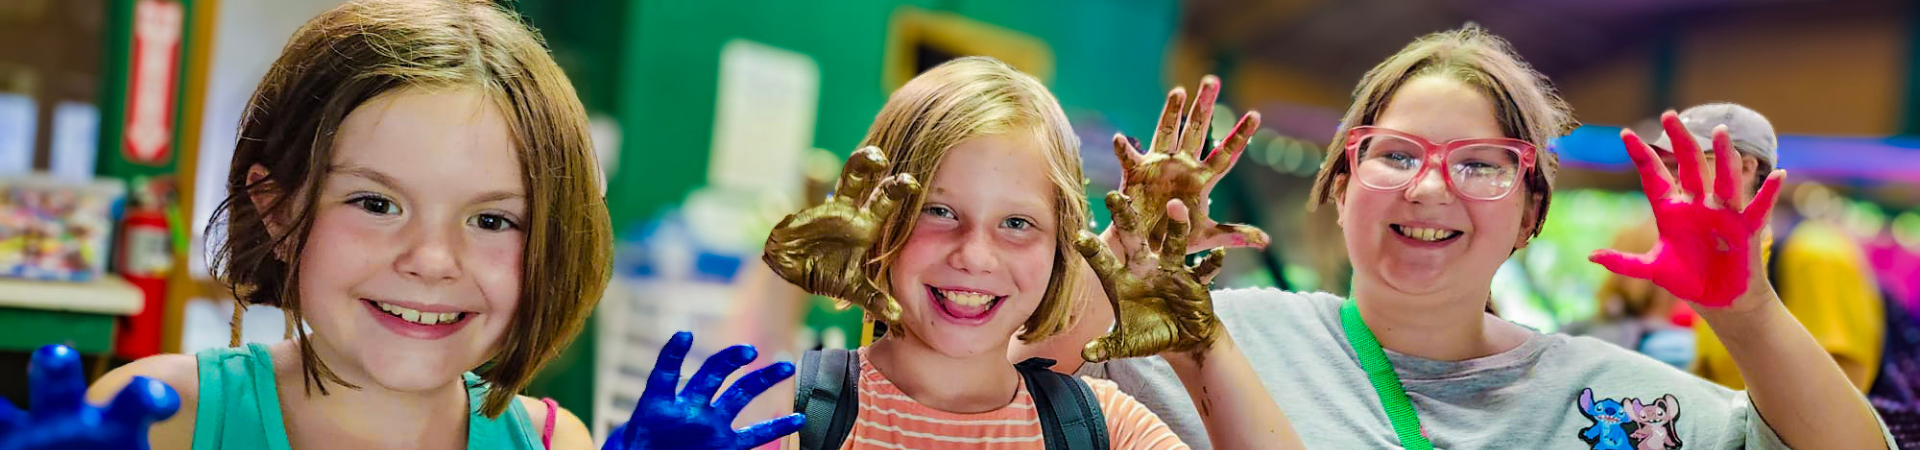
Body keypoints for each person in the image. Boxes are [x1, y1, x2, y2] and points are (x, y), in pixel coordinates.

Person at [1019, 25, 1896, 449]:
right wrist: (1115, 263)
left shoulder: (1620, 403)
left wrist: (1747, 315)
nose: (1431, 184)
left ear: (1528, 214)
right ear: (1341, 186)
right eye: (1394, 153)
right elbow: (998, 367)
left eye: (1480, 162)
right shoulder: (1216, 335)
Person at [619, 56, 1304, 450]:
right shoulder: (796, 414)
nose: (975, 254)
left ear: (1065, 249)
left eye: (1017, 224)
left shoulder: (1102, 428)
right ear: (879, 220)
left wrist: (1204, 346)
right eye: (938, 211)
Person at [65, 1, 615, 448]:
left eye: (492, 219)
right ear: (276, 211)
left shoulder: (554, 442)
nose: (431, 260)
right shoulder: (157, 417)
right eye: (376, 204)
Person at [1646, 103, 1886, 393]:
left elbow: (1844, 387)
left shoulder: (1815, 253)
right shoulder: (1718, 253)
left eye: (1684, 163)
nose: (1668, 181)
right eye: (1664, 167)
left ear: (1745, 167)